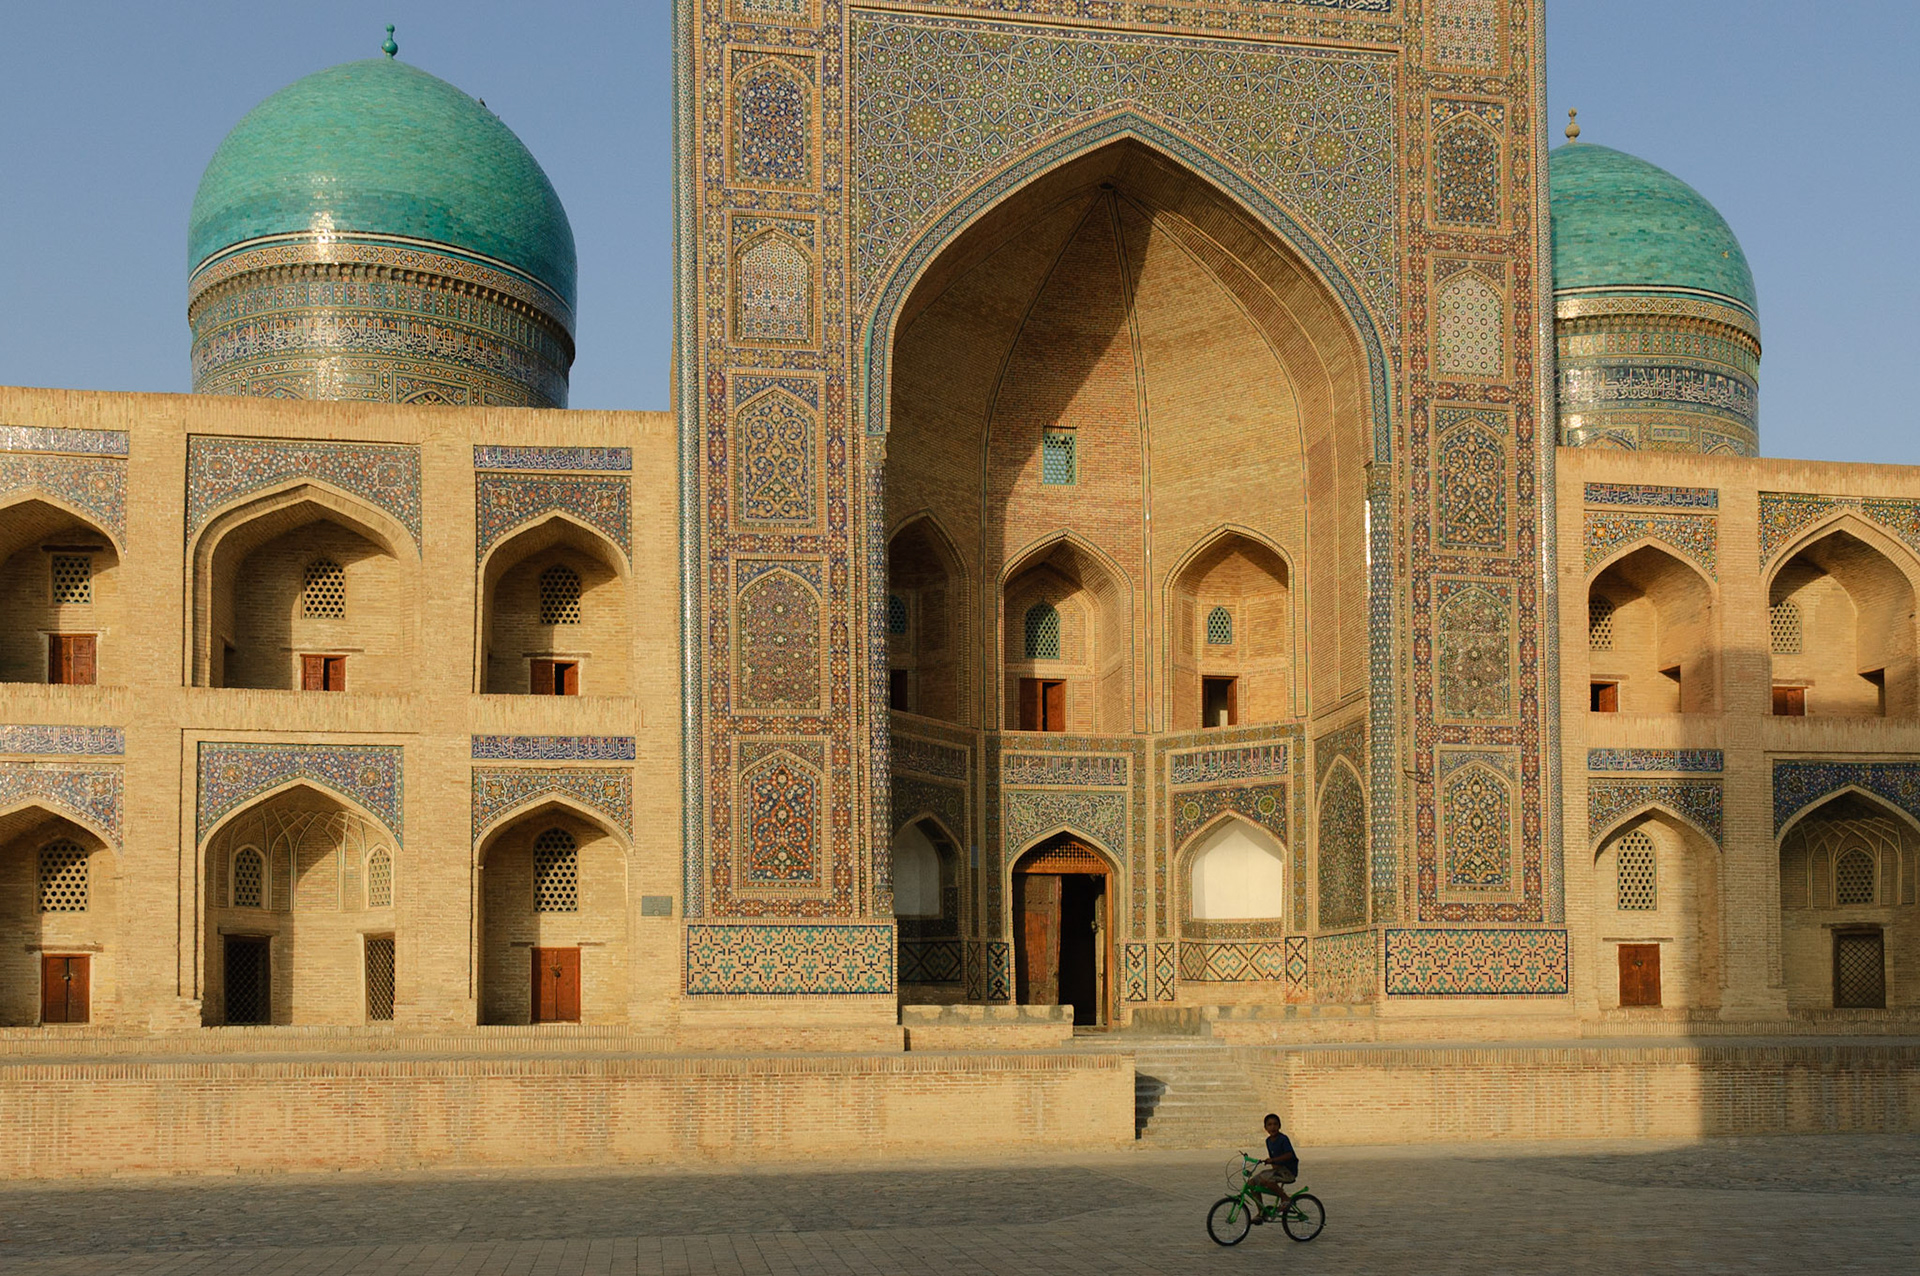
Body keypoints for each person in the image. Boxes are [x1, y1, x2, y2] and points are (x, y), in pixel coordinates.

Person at [1248, 1113, 1298, 1221]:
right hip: (1278, 1170)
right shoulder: (1268, 1141)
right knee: (1252, 1183)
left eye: (1275, 1124)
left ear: (1279, 1126)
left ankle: (1285, 1198)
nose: (1272, 1127)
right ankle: (1261, 1212)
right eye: (1269, 1125)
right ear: (1265, 1128)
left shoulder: (1283, 1139)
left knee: (1266, 1180)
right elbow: (1273, 1158)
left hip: (1288, 1171)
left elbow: (1289, 1154)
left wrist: (1274, 1160)